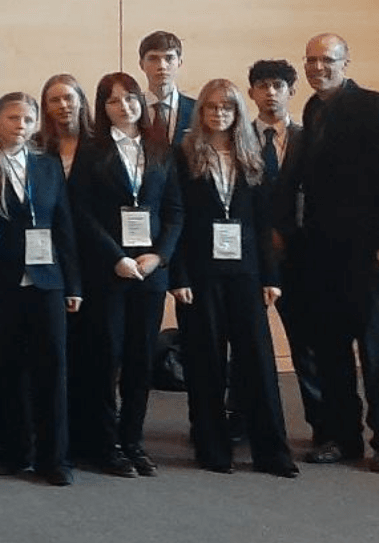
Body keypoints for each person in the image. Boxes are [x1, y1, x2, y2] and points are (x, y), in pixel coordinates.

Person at [279, 33, 379, 472]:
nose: (318, 67)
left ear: (346, 61)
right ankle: (344, 437)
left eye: (327, 59)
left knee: (375, 352)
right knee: (331, 349)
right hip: (323, 254)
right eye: (311, 60)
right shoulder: (314, 109)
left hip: (365, 254)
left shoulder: (375, 106)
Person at [167, 80, 297, 477]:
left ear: (238, 113)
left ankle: (272, 452)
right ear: (201, 112)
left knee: (257, 362)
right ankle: (213, 449)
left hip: (246, 274)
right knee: (206, 362)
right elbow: (177, 221)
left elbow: (263, 225)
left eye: (227, 108)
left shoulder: (251, 156)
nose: (219, 114)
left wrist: (270, 276)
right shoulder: (184, 156)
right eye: (211, 107)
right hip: (200, 276)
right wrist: (179, 275)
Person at [70, 72, 183, 479]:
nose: (125, 106)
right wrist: (116, 257)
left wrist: (160, 256)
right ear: (103, 108)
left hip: (149, 275)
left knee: (140, 361)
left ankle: (133, 441)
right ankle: (105, 444)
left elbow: (174, 212)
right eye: (114, 101)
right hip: (109, 273)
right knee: (107, 358)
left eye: (131, 98)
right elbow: (81, 213)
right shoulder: (92, 151)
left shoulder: (160, 150)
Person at [0, 94, 81, 486]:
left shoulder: (48, 165)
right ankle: (13, 450)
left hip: (48, 280)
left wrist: (73, 283)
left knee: (52, 368)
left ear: (35, 123)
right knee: (8, 368)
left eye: (26, 119)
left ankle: (55, 457)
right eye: (12, 118)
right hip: (2, 281)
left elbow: (64, 225)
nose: (19, 125)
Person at [247, 59, 320, 448]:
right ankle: (241, 419)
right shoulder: (238, 139)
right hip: (250, 258)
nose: (270, 92)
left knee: (306, 343)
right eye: (262, 85)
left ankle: (323, 427)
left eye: (278, 85)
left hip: (300, 257)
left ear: (292, 91)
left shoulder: (310, 138)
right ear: (251, 93)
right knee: (245, 341)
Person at [137, 31, 193, 147]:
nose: (162, 66)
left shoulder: (197, 110)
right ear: (141, 64)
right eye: (153, 58)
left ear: (179, 63)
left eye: (169, 58)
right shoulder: (130, 109)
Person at [38, 74, 90, 176]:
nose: (63, 105)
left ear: (81, 102)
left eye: (68, 98)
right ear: (46, 107)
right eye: (55, 100)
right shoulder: (35, 146)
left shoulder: (101, 142)